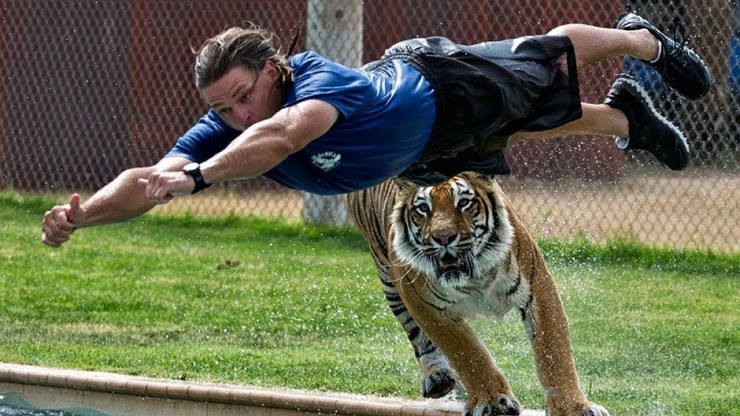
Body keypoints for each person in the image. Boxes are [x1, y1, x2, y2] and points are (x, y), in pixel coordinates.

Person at [41, 12, 711, 248]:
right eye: (223, 110)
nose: (237, 117)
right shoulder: (228, 127)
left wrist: (197, 174)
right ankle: (629, 118)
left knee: (548, 57)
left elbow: (282, 138)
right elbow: (147, 181)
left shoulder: (313, 84)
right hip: (423, 150)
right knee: (528, 124)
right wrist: (85, 215)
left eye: (243, 98)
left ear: (273, 70)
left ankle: (640, 41)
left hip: (439, 85)